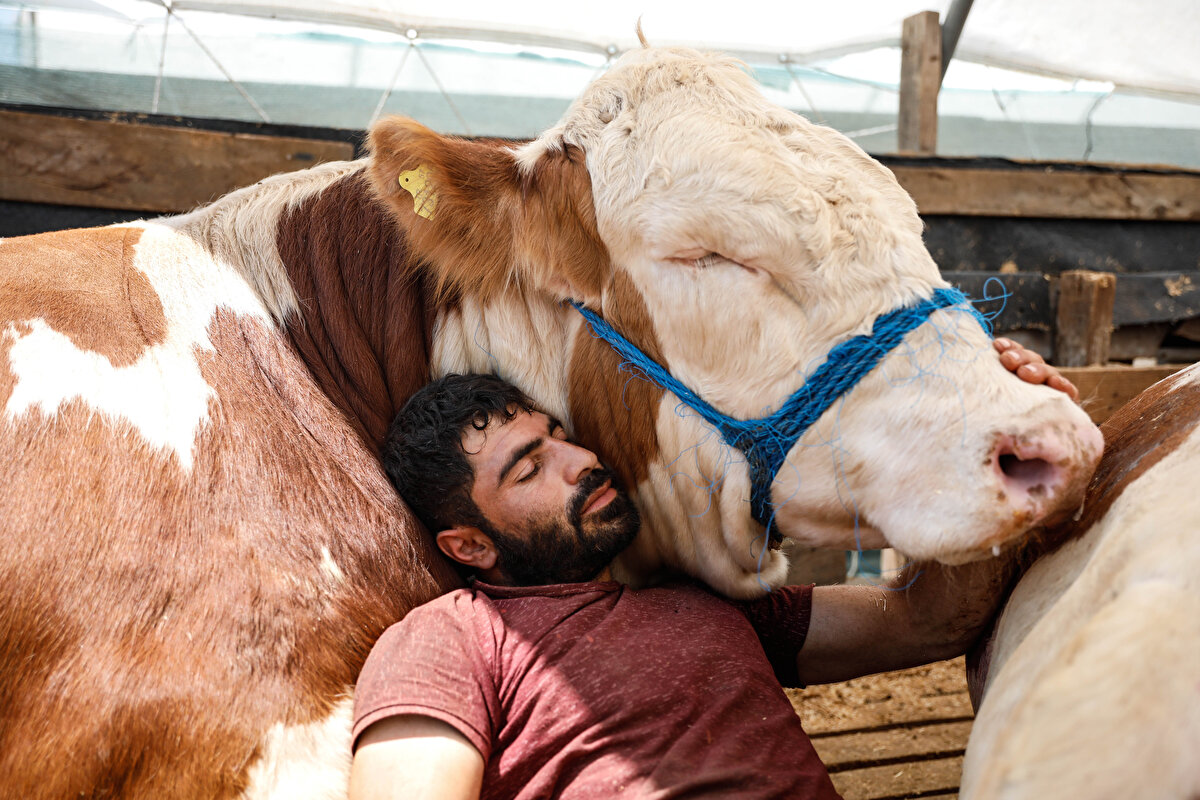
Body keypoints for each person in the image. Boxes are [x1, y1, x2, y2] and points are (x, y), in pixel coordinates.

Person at [349, 340, 1076, 800]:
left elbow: (927, 621)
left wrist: (985, 445)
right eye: (530, 469)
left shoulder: (705, 599)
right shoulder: (452, 640)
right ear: (470, 546)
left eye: (558, 438)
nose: (580, 462)